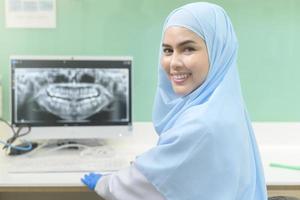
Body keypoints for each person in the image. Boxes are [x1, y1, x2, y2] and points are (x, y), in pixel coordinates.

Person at [81, 2, 268, 199]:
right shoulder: (224, 107)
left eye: (188, 49)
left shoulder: (202, 124)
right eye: (168, 50)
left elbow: (148, 183)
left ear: (217, 51)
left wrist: (107, 183)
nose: (174, 63)